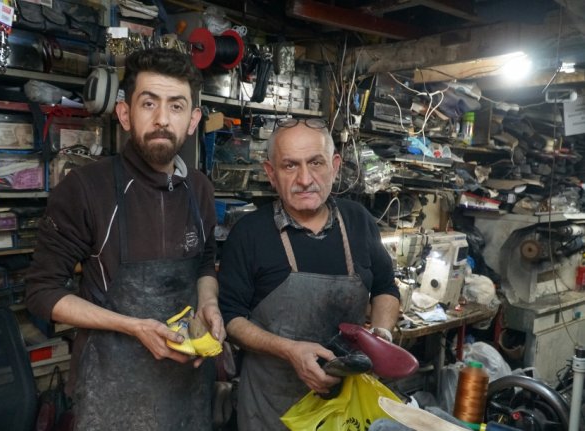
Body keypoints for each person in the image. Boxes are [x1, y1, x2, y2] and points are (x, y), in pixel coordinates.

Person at [26, 48, 224, 431]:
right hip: (111, 389)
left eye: (176, 106)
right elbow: (42, 292)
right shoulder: (85, 188)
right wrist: (133, 326)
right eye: (148, 103)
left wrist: (209, 304)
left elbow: (204, 262)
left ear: (193, 119)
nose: (162, 119)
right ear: (125, 113)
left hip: (187, 388)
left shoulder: (200, 188)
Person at [218, 118, 401, 431]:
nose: (305, 179)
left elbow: (385, 287)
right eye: (290, 166)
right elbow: (231, 320)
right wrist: (289, 351)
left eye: (315, 162)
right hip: (271, 407)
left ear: (334, 165)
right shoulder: (249, 233)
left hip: (343, 408)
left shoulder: (358, 220)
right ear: (270, 174)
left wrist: (381, 335)